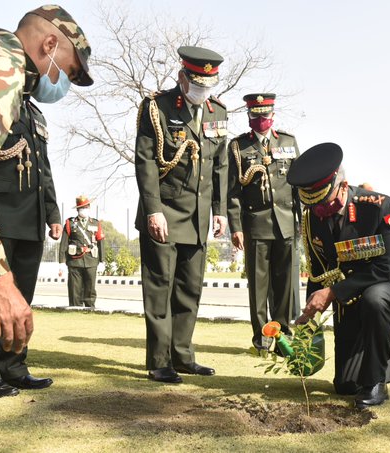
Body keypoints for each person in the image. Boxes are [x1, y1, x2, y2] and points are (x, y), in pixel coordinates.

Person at [0, 4, 92, 393]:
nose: (66, 83)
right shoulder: (1, 64)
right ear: (48, 44)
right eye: (71, 71)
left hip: (24, 214)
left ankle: (11, 366)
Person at [286, 142, 390, 409]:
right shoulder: (313, 216)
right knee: (345, 386)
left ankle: (377, 382)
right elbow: (319, 270)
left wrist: (333, 293)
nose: (321, 210)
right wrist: (310, 313)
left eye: (326, 202)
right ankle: (388, 346)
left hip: (387, 285)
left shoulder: (377, 206)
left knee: (374, 299)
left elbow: (386, 266)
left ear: (343, 186)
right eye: (315, 205)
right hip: (347, 295)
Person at [135, 46, 228, 383]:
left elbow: (221, 166)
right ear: (182, 78)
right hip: (165, 214)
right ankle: (159, 361)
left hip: (198, 216)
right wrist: (153, 210)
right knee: (160, 288)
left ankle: (183, 356)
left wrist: (220, 211)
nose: (204, 92)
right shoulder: (157, 108)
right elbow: (145, 162)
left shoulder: (218, 113)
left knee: (189, 290)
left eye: (209, 86)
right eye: (199, 85)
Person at [227, 93, 300, 350]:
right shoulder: (238, 147)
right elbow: (233, 192)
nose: (261, 120)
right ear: (249, 117)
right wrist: (235, 228)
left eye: (265, 115)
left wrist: (301, 222)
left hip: (286, 223)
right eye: (256, 116)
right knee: (258, 287)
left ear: (273, 115)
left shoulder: (288, 142)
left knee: (284, 285)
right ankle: (261, 338)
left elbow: (298, 186)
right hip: (256, 225)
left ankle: (281, 336)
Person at [58, 196, 104, 308]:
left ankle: (90, 309)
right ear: (77, 209)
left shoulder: (95, 223)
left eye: (86, 207)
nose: (84, 209)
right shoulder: (70, 223)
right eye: (82, 207)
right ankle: (75, 310)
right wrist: (61, 262)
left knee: (90, 288)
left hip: (91, 260)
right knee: (75, 289)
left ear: (89, 208)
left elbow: (101, 243)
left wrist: (102, 261)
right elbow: (63, 243)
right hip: (74, 261)